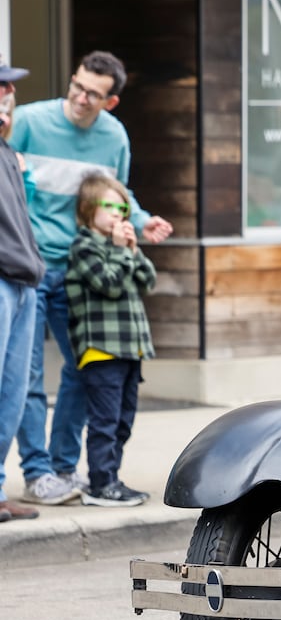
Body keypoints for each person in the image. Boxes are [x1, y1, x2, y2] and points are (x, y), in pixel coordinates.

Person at [8, 51, 171, 506]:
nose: (80, 98)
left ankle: (63, 467)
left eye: (93, 94)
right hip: (28, 265)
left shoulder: (113, 137)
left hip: (76, 269)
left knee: (84, 370)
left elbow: (118, 195)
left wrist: (140, 221)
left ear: (110, 101)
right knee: (30, 375)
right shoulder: (28, 122)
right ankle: (37, 472)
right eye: (77, 87)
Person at [63, 175, 156, 504]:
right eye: (111, 206)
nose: (119, 214)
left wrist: (132, 249)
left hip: (130, 348)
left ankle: (111, 478)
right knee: (104, 421)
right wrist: (119, 251)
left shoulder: (120, 248)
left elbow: (148, 280)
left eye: (123, 208)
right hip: (101, 350)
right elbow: (110, 285)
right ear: (89, 208)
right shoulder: (84, 247)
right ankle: (101, 482)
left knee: (123, 420)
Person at [0, 55, 45, 524]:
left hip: (22, 283)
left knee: (12, 396)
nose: (8, 95)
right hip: (2, 282)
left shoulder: (8, 153)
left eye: (9, 88)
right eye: (0, 88)